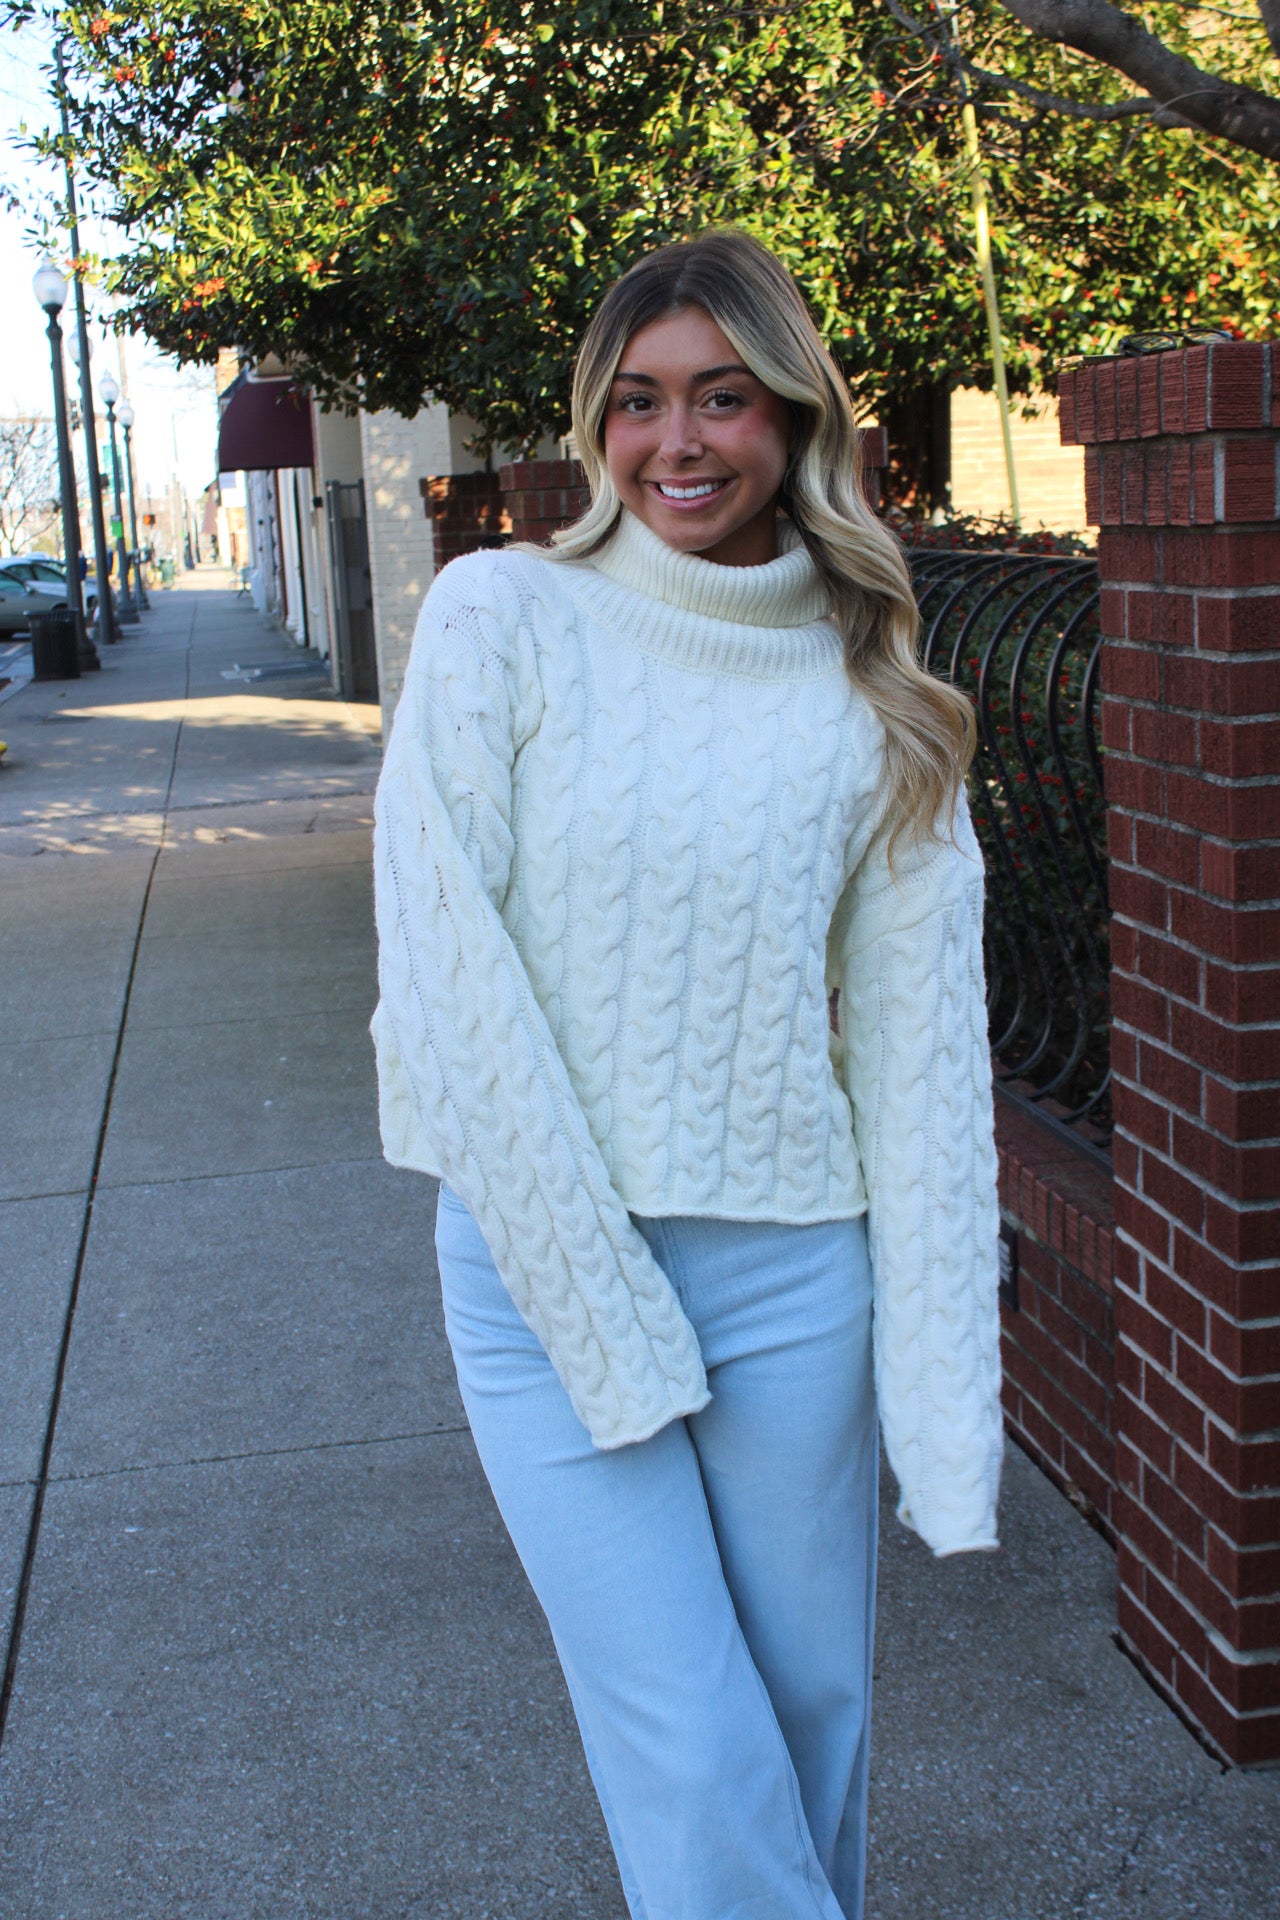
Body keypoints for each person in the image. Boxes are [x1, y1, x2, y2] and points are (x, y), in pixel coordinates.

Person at [371, 229, 1001, 1920]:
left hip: (794, 1279)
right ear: (594, 425)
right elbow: (447, 973)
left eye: (726, 398)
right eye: (640, 402)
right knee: (693, 1747)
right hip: (537, 1269)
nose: (681, 444)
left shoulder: (878, 699)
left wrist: (949, 1435)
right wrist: (601, 1297)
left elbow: (927, 1086)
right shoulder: (503, 617)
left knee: (810, 1724)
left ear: (797, 419)